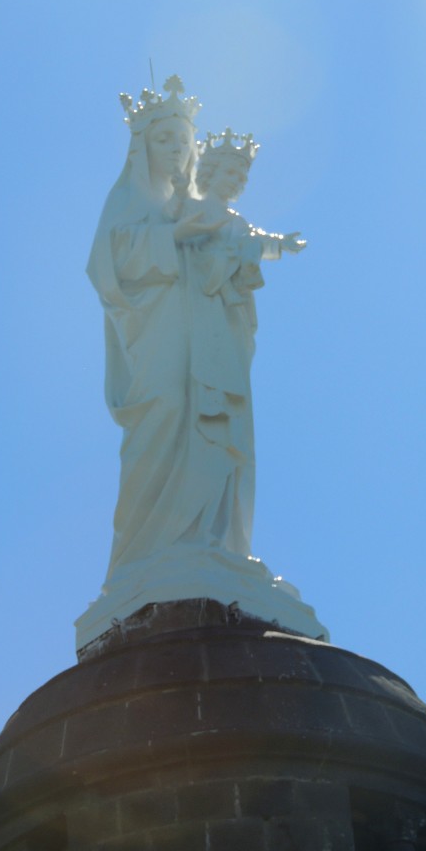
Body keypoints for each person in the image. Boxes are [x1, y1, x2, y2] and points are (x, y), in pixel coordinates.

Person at [87, 79, 304, 584]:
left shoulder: (198, 204)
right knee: (164, 417)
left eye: (183, 141)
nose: (176, 150)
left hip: (210, 335)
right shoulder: (133, 202)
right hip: (160, 335)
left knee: (218, 426)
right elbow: (107, 264)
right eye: (164, 139)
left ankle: (213, 541)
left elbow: (242, 238)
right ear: (142, 146)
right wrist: (174, 237)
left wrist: (256, 250)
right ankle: (147, 555)